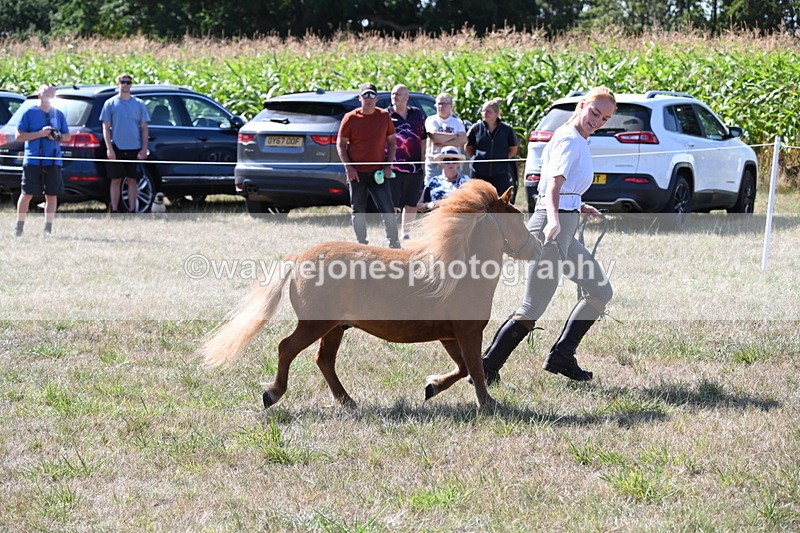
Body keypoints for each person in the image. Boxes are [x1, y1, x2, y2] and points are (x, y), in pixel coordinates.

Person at [479, 86, 617, 385]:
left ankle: (562, 356)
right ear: (582, 106)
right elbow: (552, 188)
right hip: (553, 228)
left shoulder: (579, 139)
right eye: (594, 113)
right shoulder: (569, 138)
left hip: (563, 224)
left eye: (604, 118)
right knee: (532, 307)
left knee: (600, 291)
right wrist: (554, 220)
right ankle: (486, 367)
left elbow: (560, 188)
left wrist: (577, 205)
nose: (597, 120)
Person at [336, 82, 400, 248]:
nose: (369, 99)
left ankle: (394, 242)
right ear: (360, 98)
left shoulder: (384, 116)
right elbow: (340, 144)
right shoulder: (350, 118)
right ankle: (361, 243)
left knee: (387, 208)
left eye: (372, 96)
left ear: (377, 99)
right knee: (358, 209)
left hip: (378, 172)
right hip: (357, 173)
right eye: (365, 96)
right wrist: (349, 167)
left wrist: (388, 165)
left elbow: (392, 142)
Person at [13, 84, 71, 237]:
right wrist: (40, 133)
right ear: (39, 95)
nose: (49, 96)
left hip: (53, 160)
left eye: (52, 93)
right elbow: (19, 136)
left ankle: (48, 230)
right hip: (33, 160)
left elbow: (67, 136)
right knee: (27, 194)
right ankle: (19, 228)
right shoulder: (29, 113)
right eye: (46, 93)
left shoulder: (58, 114)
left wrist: (56, 136)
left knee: (52, 195)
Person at [100, 73, 150, 213]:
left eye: (128, 82)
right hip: (117, 147)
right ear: (118, 84)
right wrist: (109, 149)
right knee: (115, 180)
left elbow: (144, 128)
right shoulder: (110, 104)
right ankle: (114, 210)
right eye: (123, 82)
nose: (126, 85)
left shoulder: (139, 104)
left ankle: (133, 210)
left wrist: (144, 148)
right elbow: (105, 127)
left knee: (133, 180)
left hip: (135, 147)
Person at [388, 84, 426, 239]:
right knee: (392, 203)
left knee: (411, 201)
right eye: (393, 94)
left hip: (415, 167)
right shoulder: (386, 115)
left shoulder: (417, 114)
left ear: (407, 97)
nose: (395, 97)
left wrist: (423, 163)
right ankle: (391, 232)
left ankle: (406, 232)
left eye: (398, 94)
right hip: (393, 166)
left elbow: (424, 140)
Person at [465, 98, 519, 196]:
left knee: (500, 202)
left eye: (488, 111)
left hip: (500, 174)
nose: (485, 113)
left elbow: (513, 149)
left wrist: (501, 158)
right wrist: (479, 158)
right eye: (483, 111)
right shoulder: (476, 128)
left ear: (496, 113)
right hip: (479, 174)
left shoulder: (507, 130)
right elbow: (468, 148)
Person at [424, 92, 466, 184]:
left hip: (453, 163)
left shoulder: (457, 122)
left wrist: (442, 143)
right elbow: (435, 137)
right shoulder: (431, 120)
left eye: (444, 104)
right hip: (434, 164)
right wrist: (455, 135)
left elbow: (462, 139)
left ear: (451, 106)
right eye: (439, 104)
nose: (441, 106)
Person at [416, 146, 470, 212]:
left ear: (458, 163)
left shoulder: (466, 181)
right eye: (447, 160)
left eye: (454, 160)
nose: (451, 163)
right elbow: (419, 206)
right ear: (441, 163)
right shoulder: (433, 182)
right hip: (437, 217)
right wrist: (428, 205)